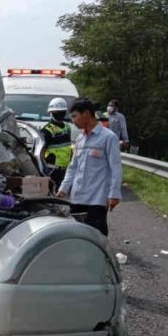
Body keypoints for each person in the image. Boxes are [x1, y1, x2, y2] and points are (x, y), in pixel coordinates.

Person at [57, 98, 122, 236]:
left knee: (96, 234)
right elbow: (73, 167)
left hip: (97, 198)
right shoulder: (80, 138)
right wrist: (64, 188)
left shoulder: (108, 137)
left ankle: (101, 257)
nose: (73, 121)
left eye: (75, 116)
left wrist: (114, 194)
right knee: (77, 234)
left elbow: (115, 168)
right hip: (77, 197)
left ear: (86, 113)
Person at [41, 97, 72, 189]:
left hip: (66, 168)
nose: (59, 115)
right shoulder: (46, 130)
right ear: (50, 113)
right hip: (52, 169)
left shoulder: (67, 127)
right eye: (56, 113)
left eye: (62, 112)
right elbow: (41, 151)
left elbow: (69, 146)